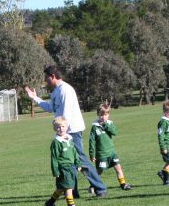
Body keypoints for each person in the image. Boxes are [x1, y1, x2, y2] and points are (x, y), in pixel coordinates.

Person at [25, 65, 108, 197]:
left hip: (72, 131)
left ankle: (100, 188)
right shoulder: (56, 91)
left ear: (52, 76)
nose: (45, 81)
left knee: (80, 160)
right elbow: (50, 108)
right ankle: (73, 193)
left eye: (46, 78)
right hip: (66, 131)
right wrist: (35, 98)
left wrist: (64, 133)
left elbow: (67, 114)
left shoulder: (65, 90)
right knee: (69, 162)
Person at [88, 103, 132, 190]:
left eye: (105, 114)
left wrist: (106, 125)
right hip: (101, 154)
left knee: (118, 168)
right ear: (98, 114)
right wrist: (92, 154)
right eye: (101, 114)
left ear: (108, 115)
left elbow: (115, 132)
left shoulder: (110, 123)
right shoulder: (95, 127)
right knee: (99, 171)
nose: (103, 117)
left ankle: (123, 184)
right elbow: (91, 141)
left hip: (112, 152)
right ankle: (92, 185)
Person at [45, 117, 81, 206]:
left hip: (71, 167)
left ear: (67, 126)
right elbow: (54, 157)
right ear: (55, 129)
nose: (61, 129)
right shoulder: (56, 142)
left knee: (61, 188)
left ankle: (50, 202)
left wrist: (78, 163)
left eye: (63, 126)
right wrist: (55, 170)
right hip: (63, 168)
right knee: (68, 187)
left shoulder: (69, 138)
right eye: (58, 127)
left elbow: (74, 152)